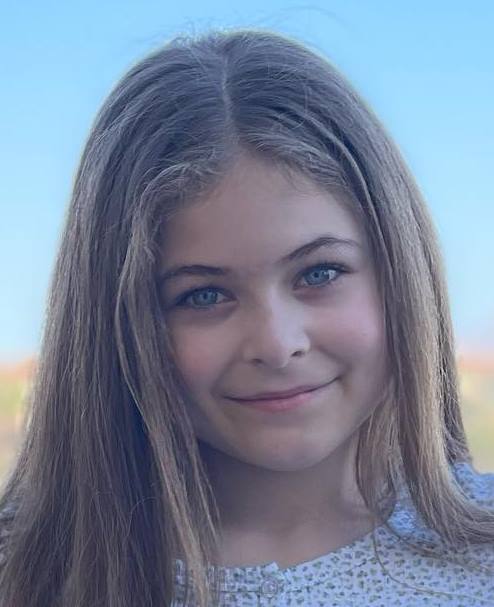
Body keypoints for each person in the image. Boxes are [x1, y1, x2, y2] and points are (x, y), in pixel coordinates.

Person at [0, 28, 493, 607]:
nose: (277, 344)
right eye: (204, 296)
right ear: (115, 327)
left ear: (401, 273)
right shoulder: (27, 579)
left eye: (319, 273)